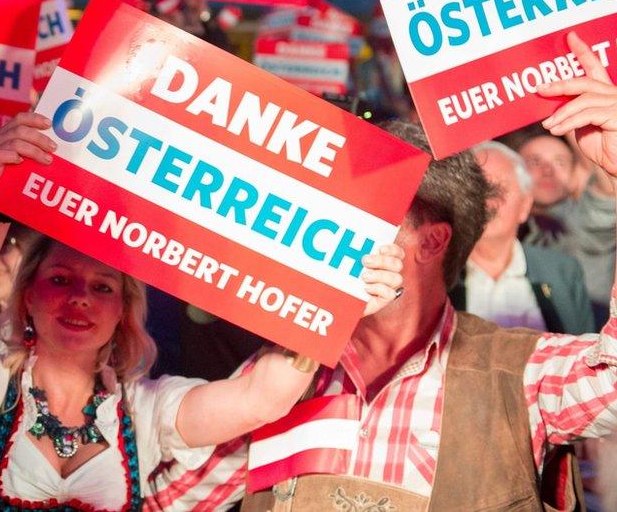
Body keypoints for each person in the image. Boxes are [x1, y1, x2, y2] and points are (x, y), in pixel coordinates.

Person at [0, 112, 405, 510]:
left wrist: (340, 300)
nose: (80, 297)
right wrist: (0, 198)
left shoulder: (143, 411)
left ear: (123, 312)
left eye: (103, 287)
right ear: (28, 297)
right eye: (59, 279)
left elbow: (263, 397)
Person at [241, 31, 617, 510]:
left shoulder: (517, 372)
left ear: (431, 241)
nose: (333, 226)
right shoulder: (286, 361)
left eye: (371, 211)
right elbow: (170, 482)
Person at [452, 141, 595, 335]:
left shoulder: (562, 271)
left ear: (525, 205)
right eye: (477, 190)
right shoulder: (435, 275)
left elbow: (584, 352)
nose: (488, 203)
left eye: (499, 190)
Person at [513, 125, 617, 326]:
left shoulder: (579, 221)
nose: (548, 170)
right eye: (534, 161)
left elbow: (606, 193)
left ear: (575, 177)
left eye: (559, 163)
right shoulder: (494, 223)